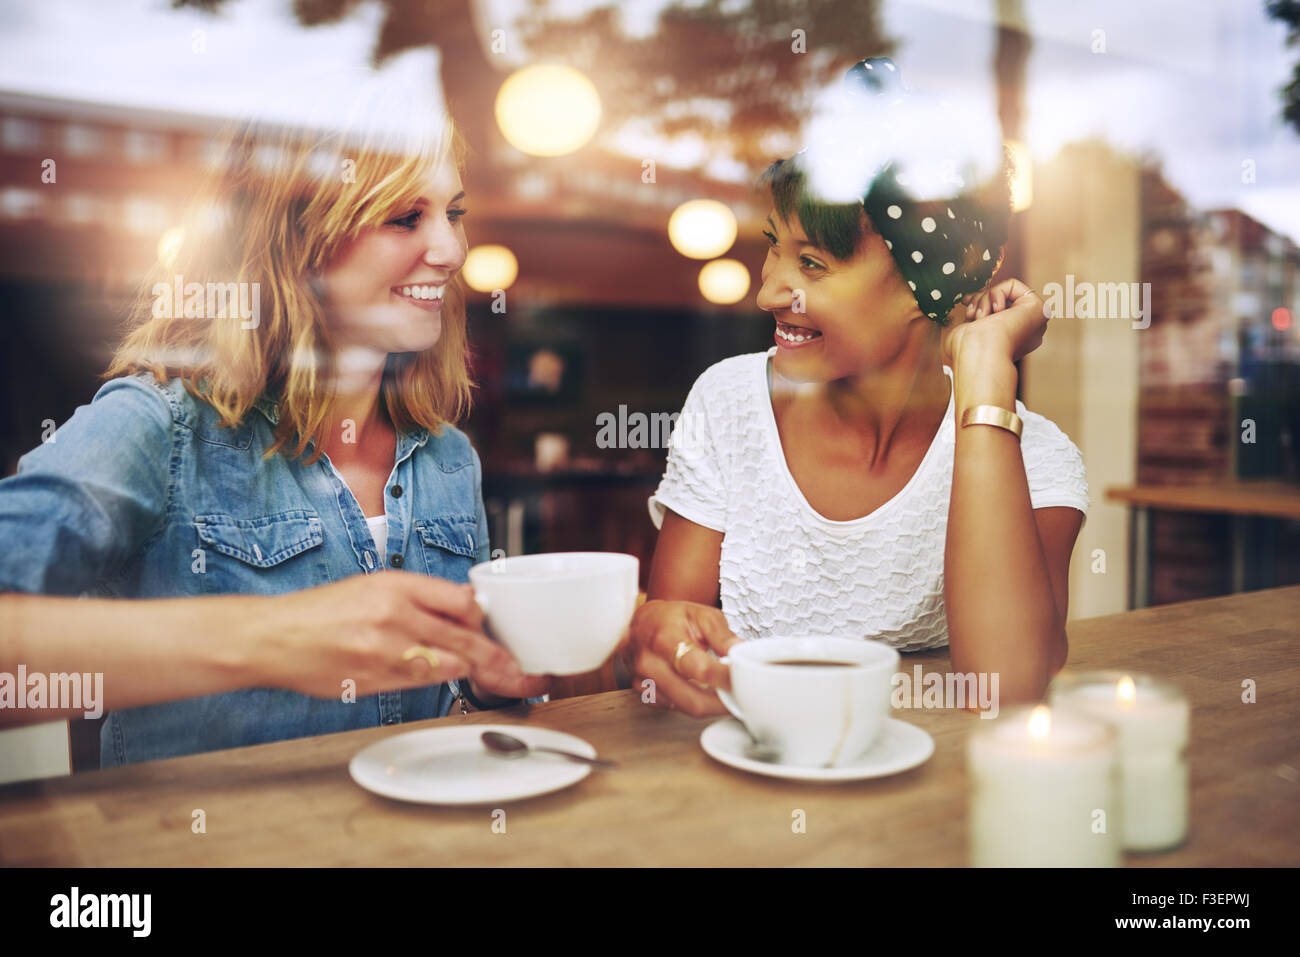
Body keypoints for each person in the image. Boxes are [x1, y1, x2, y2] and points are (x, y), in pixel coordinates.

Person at [0, 107, 548, 765]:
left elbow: (449, 697)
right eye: (405, 217)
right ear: (294, 242)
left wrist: (489, 685)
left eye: (453, 214)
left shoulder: (447, 453)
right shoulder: (158, 426)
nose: (452, 251)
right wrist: (276, 636)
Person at [626, 57, 1088, 716]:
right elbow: (673, 659)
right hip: (747, 777)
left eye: (811, 262)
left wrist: (987, 368)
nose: (768, 290)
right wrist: (652, 642)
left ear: (926, 287)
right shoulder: (729, 404)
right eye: (774, 248)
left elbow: (1007, 688)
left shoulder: (1032, 457)